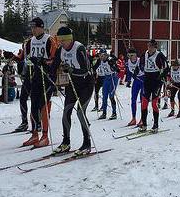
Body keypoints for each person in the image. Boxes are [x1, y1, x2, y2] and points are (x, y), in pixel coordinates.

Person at [51, 26, 94, 156]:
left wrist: (71, 70)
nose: (61, 43)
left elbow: (85, 70)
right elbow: (54, 66)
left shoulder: (79, 48)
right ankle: (66, 142)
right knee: (66, 112)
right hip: (73, 84)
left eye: (63, 40)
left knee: (80, 113)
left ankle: (86, 143)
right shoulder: (61, 50)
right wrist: (43, 67)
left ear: (69, 39)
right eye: (59, 41)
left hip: (86, 83)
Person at [19, 18, 57, 148]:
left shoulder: (49, 40)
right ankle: (34, 134)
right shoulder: (30, 42)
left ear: (41, 27)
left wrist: (44, 62)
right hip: (34, 76)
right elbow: (26, 58)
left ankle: (45, 136)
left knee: (43, 105)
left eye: (35, 27)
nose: (33, 30)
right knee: (33, 105)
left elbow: (55, 59)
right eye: (31, 27)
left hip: (47, 76)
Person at [137, 39, 168, 133]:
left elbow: (167, 68)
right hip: (147, 79)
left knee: (154, 103)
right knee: (144, 102)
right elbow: (140, 64)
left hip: (156, 80)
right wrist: (136, 72)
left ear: (155, 47)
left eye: (151, 46)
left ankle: (155, 125)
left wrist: (162, 76)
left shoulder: (159, 55)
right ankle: (144, 124)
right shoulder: (144, 54)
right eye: (148, 46)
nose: (149, 48)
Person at [93, 49, 119, 120]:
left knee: (111, 96)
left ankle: (114, 113)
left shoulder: (110, 59)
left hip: (113, 77)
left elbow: (117, 69)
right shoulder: (100, 61)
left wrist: (113, 67)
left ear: (105, 55)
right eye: (100, 55)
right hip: (106, 78)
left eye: (102, 55)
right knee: (104, 96)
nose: (101, 57)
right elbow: (94, 67)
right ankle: (104, 113)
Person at [126, 48, 144, 126]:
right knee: (133, 99)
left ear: (136, 55)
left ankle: (142, 119)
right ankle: (133, 118)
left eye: (132, 55)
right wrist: (129, 80)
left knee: (142, 100)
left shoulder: (140, 61)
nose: (130, 57)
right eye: (129, 55)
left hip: (143, 80)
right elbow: (129, 71)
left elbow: (144, 70)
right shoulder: (129, 62)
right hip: (136, 81)